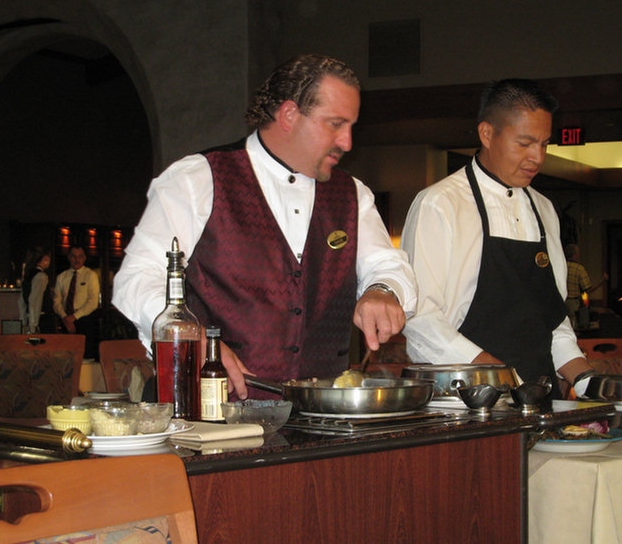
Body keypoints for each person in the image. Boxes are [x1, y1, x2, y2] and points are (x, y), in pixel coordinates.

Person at [113, 54, 416, 399]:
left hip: (317, 420)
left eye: (351, 127)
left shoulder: (352, 194)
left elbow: (388, 266)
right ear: (289, 115)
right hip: (209, 415)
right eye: (335, 124)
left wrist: (383, 291)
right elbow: (136, 278)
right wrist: (188, 335)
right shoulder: (197, 178)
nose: (347, 142)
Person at [401, 78, 594, 399]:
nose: (537, 157)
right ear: (487, 133)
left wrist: (590, 381)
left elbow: (553, 322)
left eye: (544, 144)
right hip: (464, 399)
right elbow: (420, 319)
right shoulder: (440, 203)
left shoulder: (544, 209)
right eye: (524, 143)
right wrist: (503, 377)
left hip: (538, 397)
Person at [52, 245, 101, 359]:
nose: (76, 259)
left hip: (84, 321)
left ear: (84, 258)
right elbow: (56, 301)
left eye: (80, 256)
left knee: (85, 358)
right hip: (65, 322)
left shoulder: (90, 275)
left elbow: (93, 302)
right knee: (66, 356)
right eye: (73, 256)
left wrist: (74, 317)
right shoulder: (62, 277)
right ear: (69, 257)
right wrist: (66, 318)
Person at [564, 243, 608, 329]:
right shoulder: (579, 269)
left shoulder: (561, 266)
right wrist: (602, 281)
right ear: (575, 255)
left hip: (561, 302)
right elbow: (588, 289)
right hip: (574, 303)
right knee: (574, 326)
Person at [17, 247, 53, 334]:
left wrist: (23, 322)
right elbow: (35, 301)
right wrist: (34, 326)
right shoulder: (41, 277)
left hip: (30, 317)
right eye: (46, 259)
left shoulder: (28, 275)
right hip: (41, 319)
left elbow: (21, 302)